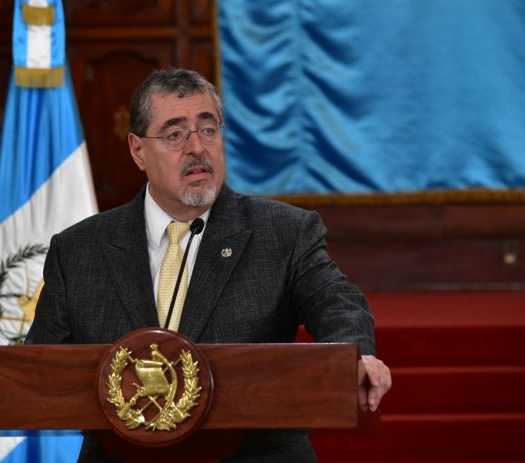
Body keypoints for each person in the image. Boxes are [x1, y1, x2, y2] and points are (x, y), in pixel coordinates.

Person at [26, 67, 391, 462]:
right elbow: (42, 369)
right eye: (175, 134)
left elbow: (336, 302)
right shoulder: (79, 249)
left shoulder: (283, 233)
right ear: (137, 150)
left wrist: (358, 354)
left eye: (208, 129)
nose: (197, 148)